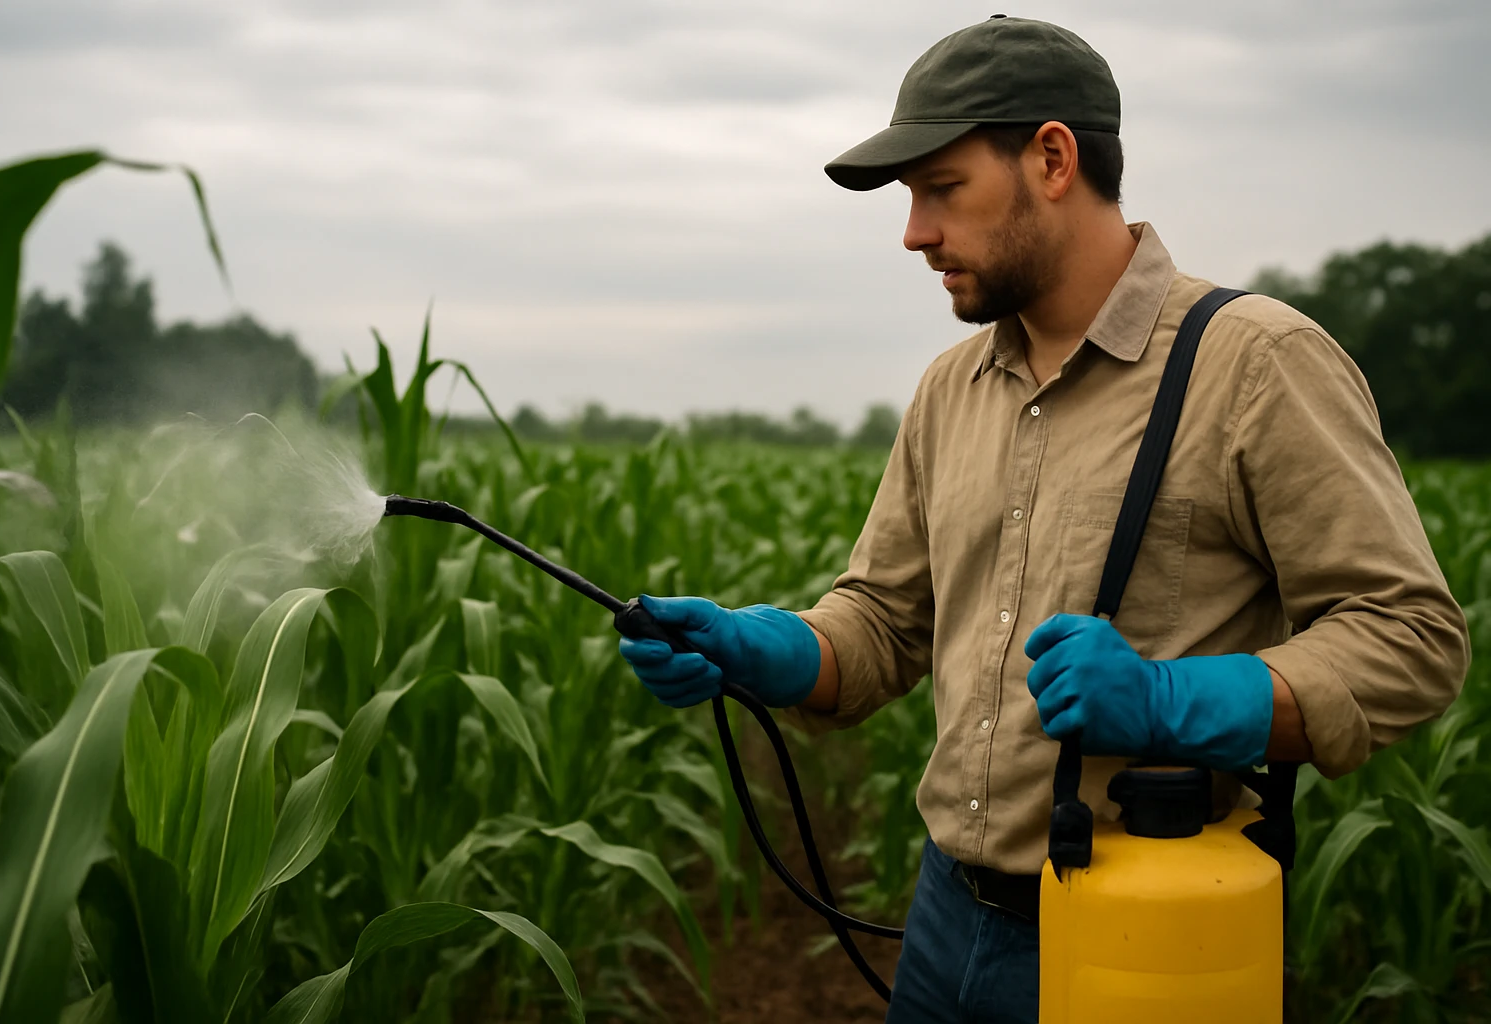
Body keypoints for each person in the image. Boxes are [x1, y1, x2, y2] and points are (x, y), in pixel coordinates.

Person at [617, 16, 1470, 1024]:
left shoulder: (1254, 362)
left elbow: (1412, 641)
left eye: (942, 189)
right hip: (944, 922)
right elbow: (886, 625)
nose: (914, 232)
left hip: (1148, 926)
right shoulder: (950, 389)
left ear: (1053, 159)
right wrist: (771, 648)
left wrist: (1169, 699)